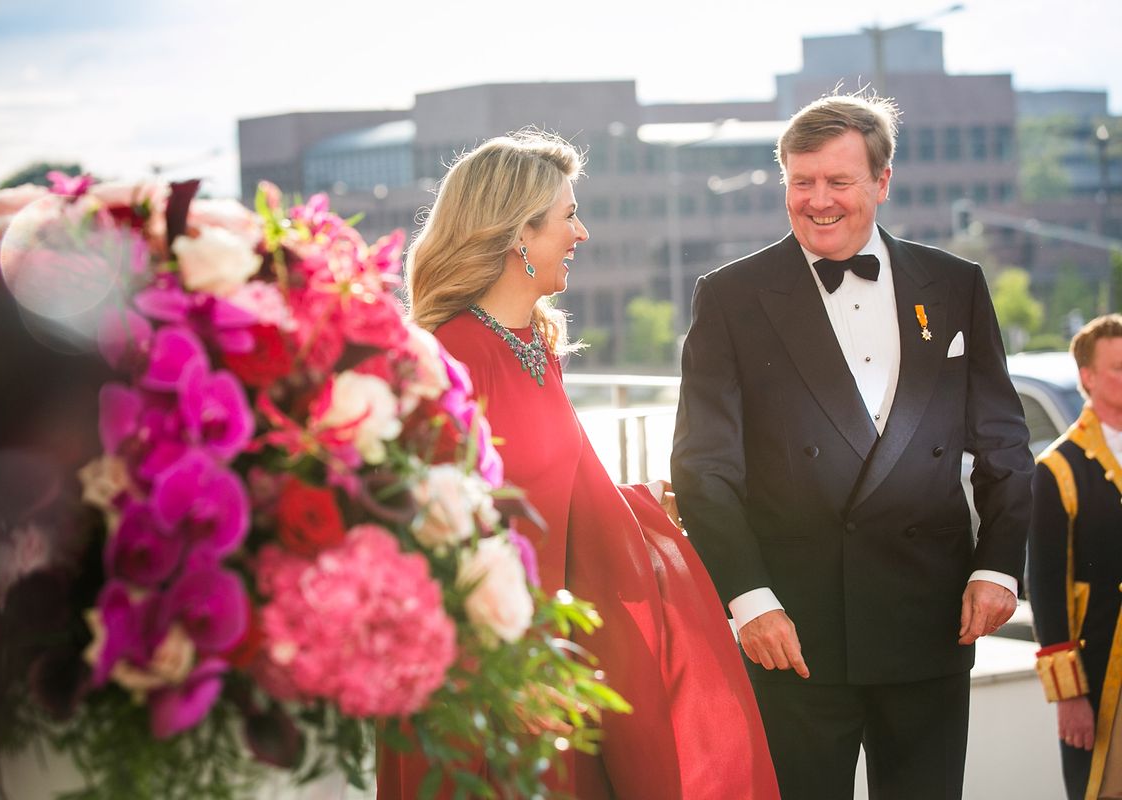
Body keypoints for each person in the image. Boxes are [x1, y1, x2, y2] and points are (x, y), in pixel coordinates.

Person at [377, 130, 779, 799]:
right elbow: (433, 539)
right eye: (568, 216)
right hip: (493, 683)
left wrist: (633, 504)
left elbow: (544, 490)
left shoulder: (536, 347)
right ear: (519, 234)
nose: (582, 233)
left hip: (558, 662)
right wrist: (511, 666)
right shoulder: (453, 358)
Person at [671, 93, 1034, 800]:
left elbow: (1004, 444)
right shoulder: (730, 295)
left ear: (882, 181)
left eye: (839, 181)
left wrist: (998, 566)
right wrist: (749, 600)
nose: (818, 201)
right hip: (793, 629)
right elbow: (703, 468)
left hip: (930, 616)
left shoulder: (955, 284)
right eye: (801, 181)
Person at [1029, 314, 1122, 800]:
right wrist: (1069, 695)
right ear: (1088, 377)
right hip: (1105, 670)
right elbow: (1046, 590)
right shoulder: (1058, 468)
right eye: (1118, 368)